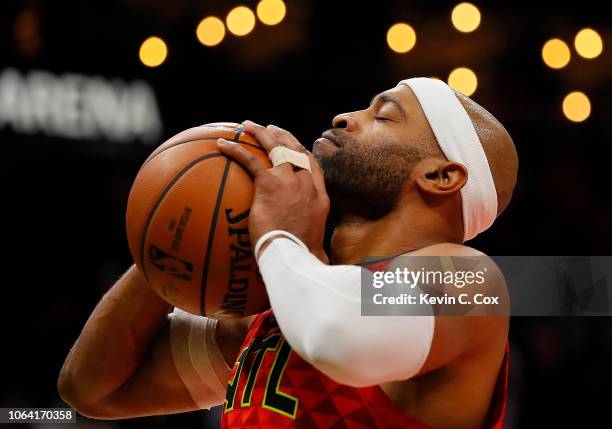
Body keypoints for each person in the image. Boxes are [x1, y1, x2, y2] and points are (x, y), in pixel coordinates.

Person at [58, 78, 518, 429]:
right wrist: (188, 229)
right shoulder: (277, 312)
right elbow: (93, 388)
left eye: (384, 116)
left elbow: (336, 334)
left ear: (441, 176)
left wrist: (280, 234)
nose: (344, 117)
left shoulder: (471, 282)